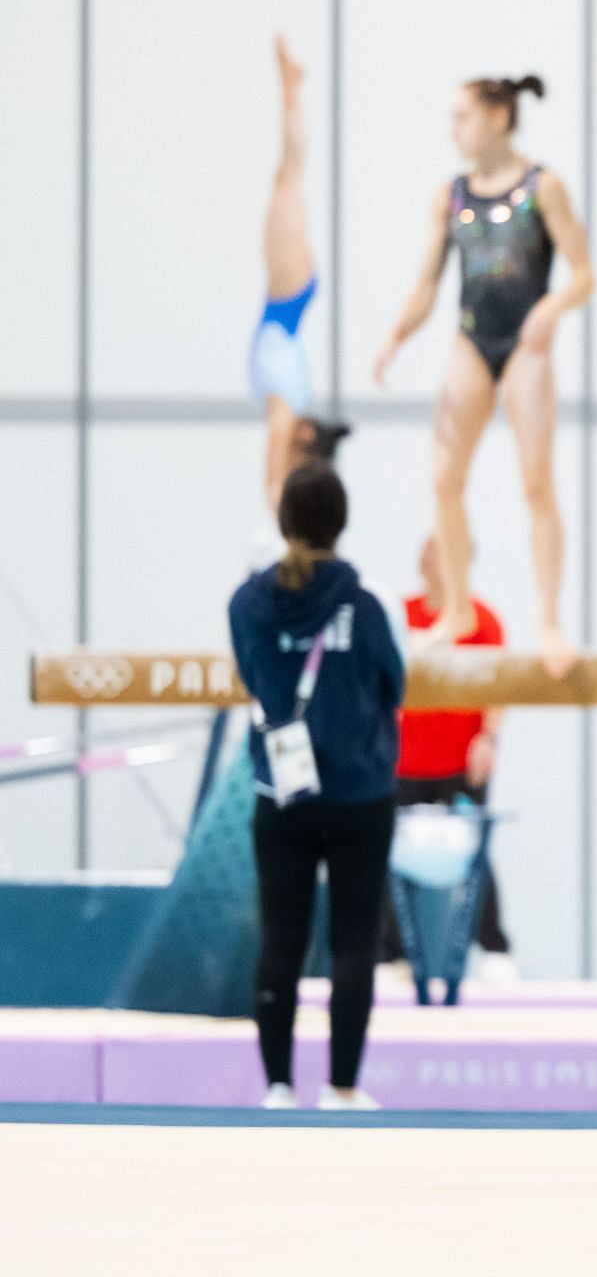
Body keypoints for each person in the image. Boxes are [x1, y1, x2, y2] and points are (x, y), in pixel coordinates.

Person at [372, 73, 595, 678]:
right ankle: (459, 611)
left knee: (535, 483)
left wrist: (552, 305)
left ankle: (549, 620)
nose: (453, 129)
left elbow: (583, 273)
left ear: (499, 117)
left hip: (525, 342)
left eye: (463, 116)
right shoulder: (450, 196)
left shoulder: (542, 187)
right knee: (444, 479)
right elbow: (426, 284)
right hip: (472, 339)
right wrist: (396, 335)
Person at [229, 462, 408, 1111]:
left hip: (284, 791)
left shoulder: (246, 602)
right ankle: (341, 1086)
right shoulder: (369, 604)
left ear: (284, 521)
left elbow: (252, 676)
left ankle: (277, 1085)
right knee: (353, 943)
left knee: (282, 937)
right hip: (359, 792)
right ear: (343, 521)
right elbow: (396, 682)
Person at [383, 535, 515, 977]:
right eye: (427, 549)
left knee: (476, 855)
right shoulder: (401, 615)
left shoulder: (483, 620)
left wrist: (489, 738)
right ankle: (390, 954)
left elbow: (501, 686)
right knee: (384, 853)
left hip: (461, 760)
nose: (430, 559)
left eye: (442, 550)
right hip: (404, 760)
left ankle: (494, 947)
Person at [251, 35, 351, 512]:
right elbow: (275, 456)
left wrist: (279, 496)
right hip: (288, 297)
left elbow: (278, 454)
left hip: (288, 296)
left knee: (287, 176)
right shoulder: (287, 402)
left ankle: (291, 89)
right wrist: (277, 502)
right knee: (289, 175)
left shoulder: (288, 402)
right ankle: (291, 89)